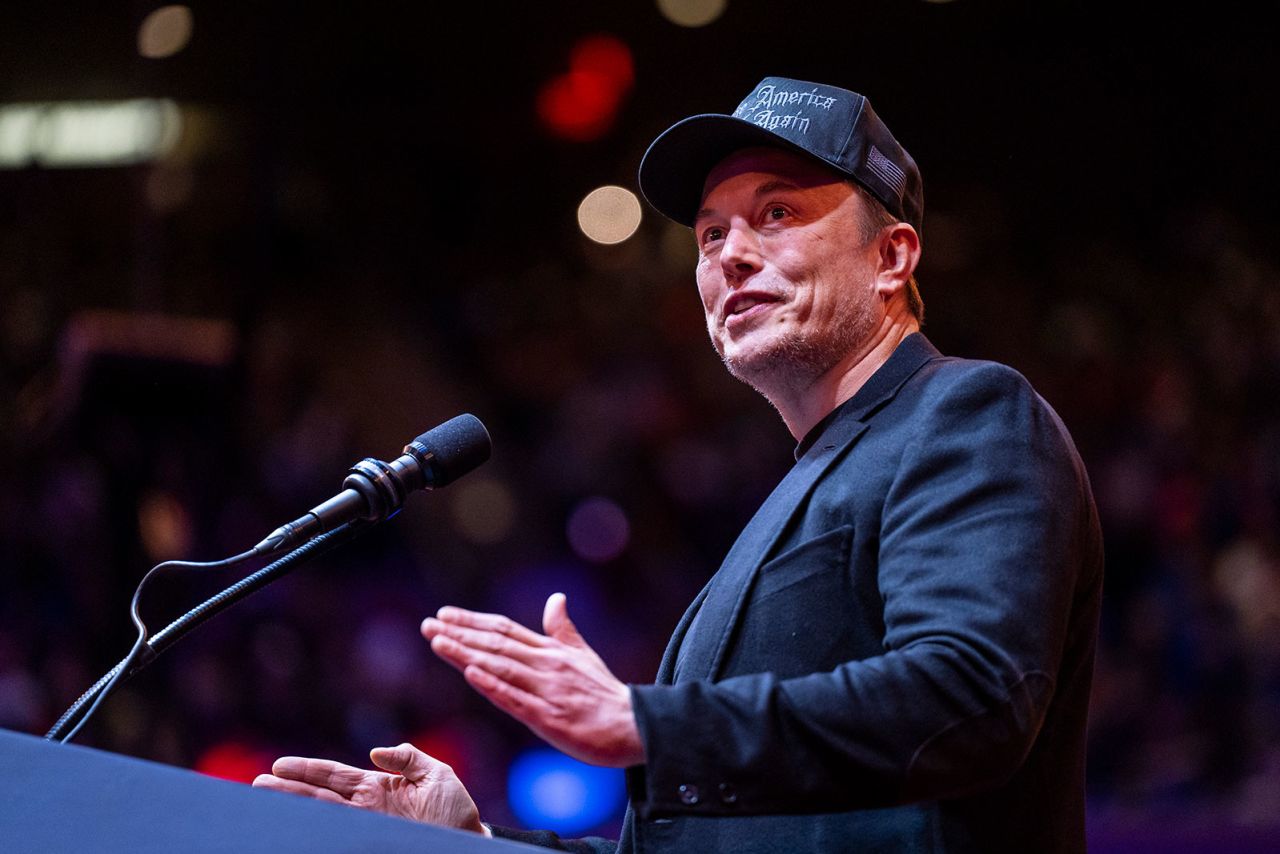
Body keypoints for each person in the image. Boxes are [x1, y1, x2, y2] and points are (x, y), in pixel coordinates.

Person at [253, 76, 1104, 853]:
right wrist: (474, 842)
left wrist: (648, 724)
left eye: (776, 213)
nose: (729, 253)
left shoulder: (967, 414)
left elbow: (973, 698)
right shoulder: (799, 491)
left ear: (892, 258)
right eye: (710, 232)